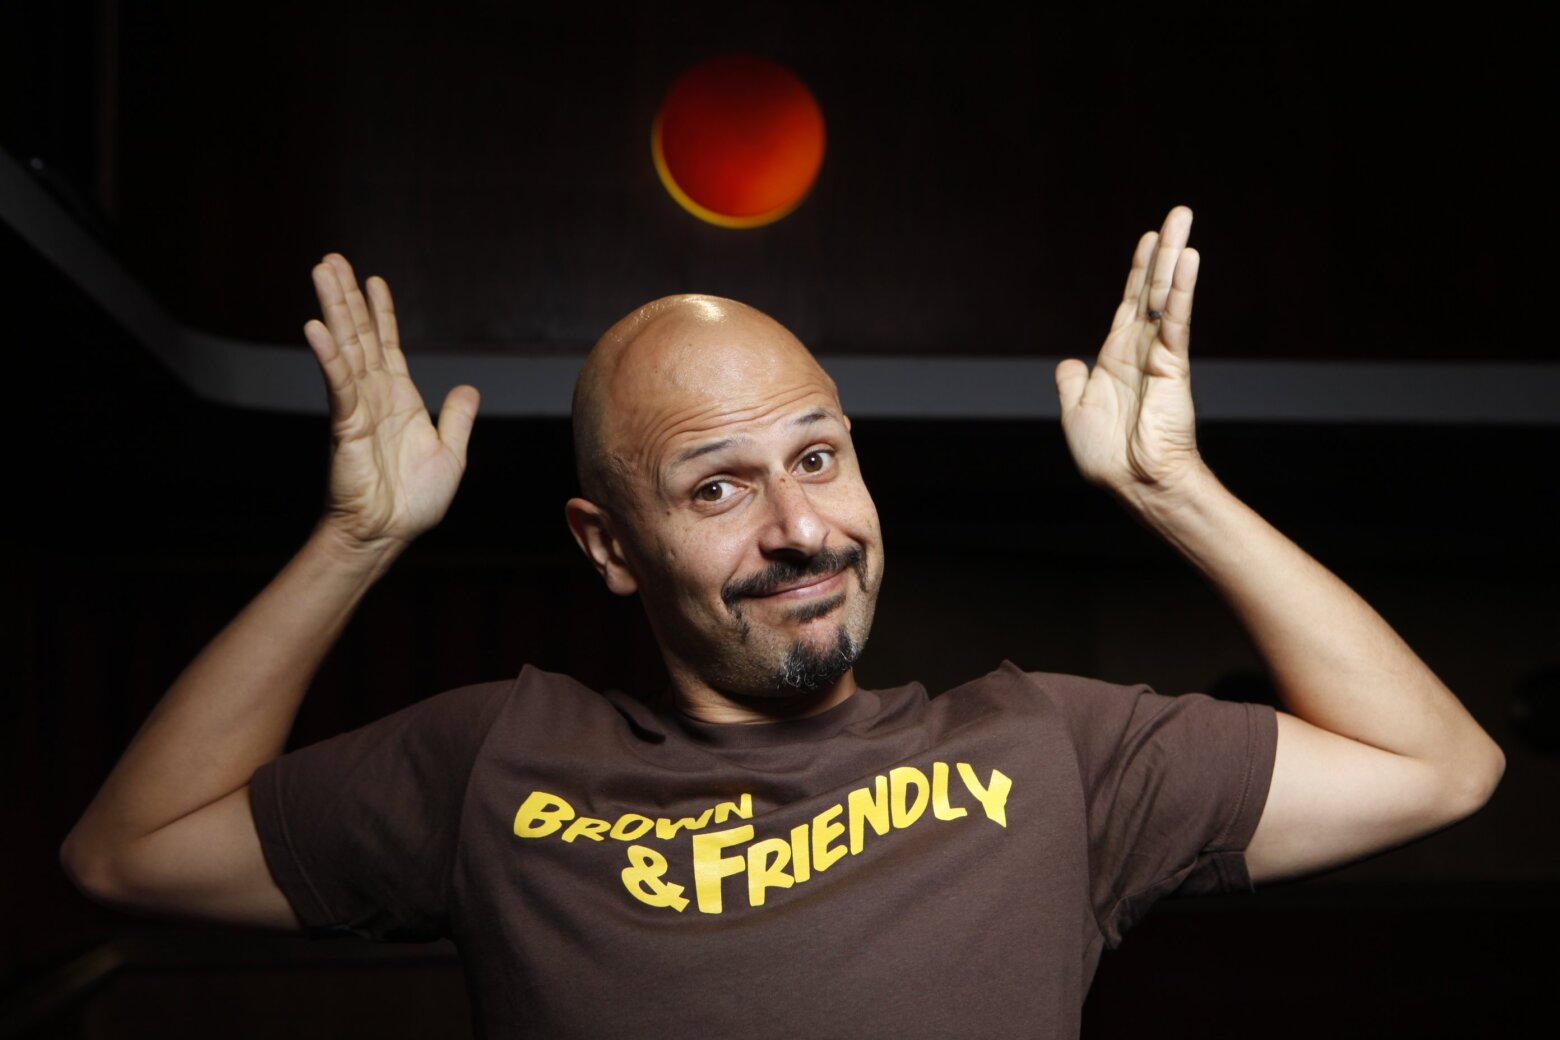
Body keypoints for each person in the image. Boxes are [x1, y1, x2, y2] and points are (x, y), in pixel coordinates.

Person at [60, 208, 1504, 1037]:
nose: (799, 528)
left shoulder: (1049, 749)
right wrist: (356, 542)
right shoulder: (498, 760)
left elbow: (1436, 767)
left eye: (818, 458)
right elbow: (127, 853)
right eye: (718, 487)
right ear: (607, 547)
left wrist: (1171, 488)